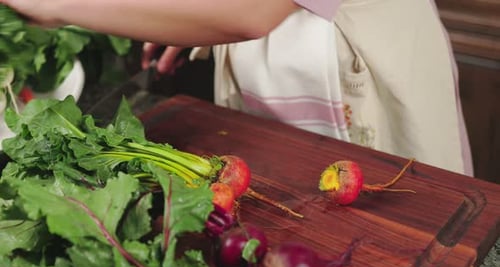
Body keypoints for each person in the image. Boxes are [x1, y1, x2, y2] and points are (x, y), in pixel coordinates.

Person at [1, 0, 473, 176]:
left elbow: (254, 11)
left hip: (366, 70)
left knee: (391, 222)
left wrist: (60, 4)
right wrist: (182, 17)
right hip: (288, 58)